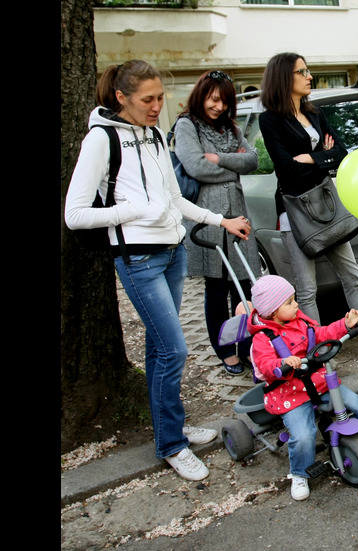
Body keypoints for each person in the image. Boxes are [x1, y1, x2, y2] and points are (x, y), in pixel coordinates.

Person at [65, 60, 252, 481]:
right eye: (147, 99)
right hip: (138, 260)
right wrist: (132, 211)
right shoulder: (101, 139)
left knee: (157, 351)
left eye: (160, 98)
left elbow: (174, 198)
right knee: (175, 351)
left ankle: (171, 429)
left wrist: (218, 220)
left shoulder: (152, 135)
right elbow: (75, 213)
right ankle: (171, 445)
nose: (156, 107)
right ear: (121, 98)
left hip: (173, 253)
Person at [256, 52, 358, 361]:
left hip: (329, 210)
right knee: (306, 291)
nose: (309, 76)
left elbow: (340, 153)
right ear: (283, 78)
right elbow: (287, 170)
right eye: (301, 72)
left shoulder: (315, 114)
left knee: (353, 277)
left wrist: (312, 158)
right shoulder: (270, 120)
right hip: (296, 215)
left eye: (308, 70)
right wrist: (321, 157)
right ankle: (315, 356)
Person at [246, 275, 358, 501]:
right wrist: (283, 363)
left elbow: (322, 334)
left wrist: (344, 325)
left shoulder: (301, 321)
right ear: (272, 312)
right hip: (291, 393)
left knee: (352, 401)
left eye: (294, 299)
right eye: (289, 302)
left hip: (318, 382)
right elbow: (264, 365)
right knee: (304, 435)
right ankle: (299, 473)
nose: (296, 305)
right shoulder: (263, 340)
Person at [173, 70, 260, 375]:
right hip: (208, 217)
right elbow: (195, 166)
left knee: (245, 287)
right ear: (201, 95)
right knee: (217, 287)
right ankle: (225, 350)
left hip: (239, 213)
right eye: (213, 99)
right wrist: (230, 163)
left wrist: (219, 159)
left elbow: (253, 160)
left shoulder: (231, 128)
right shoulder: (186, 125)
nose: (219, 107)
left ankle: (249, 347)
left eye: (224, 101)